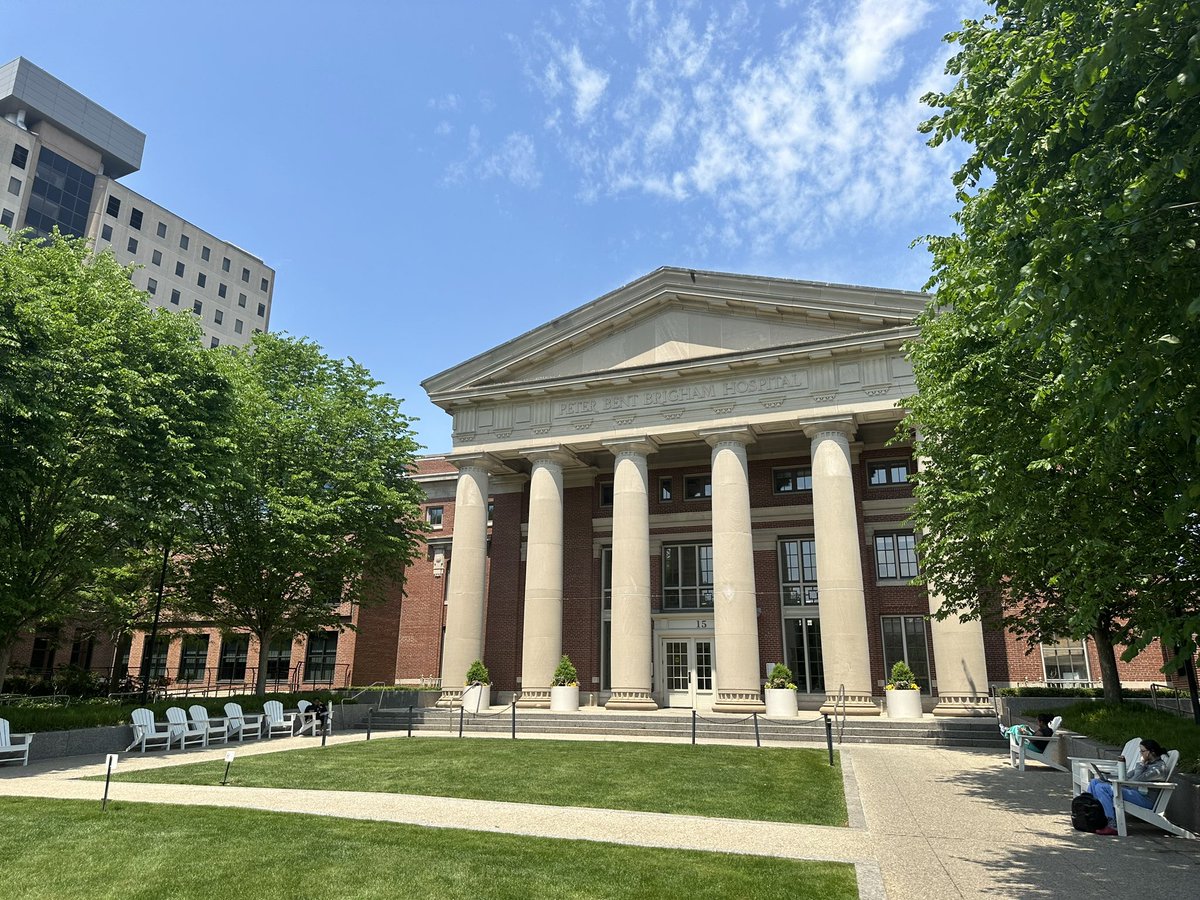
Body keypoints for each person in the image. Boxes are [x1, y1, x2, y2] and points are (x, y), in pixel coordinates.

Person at [1087, 738, 1172, 835]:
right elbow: (1128, 776)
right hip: (1135, 792)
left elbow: (1136, 780)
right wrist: (1108, 777)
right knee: (1095, 782)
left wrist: (1141, 763)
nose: (1141, 753)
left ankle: (1112, 825)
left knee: (1102, 788)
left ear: (1151, 752)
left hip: (1146, 800)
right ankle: (1091, 816)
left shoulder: (1159, 769)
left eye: (1143, 751)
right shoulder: (1148, 764)